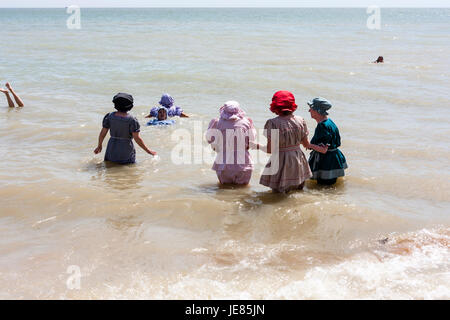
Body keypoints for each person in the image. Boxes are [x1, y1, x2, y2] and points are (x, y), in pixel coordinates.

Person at [258, 91, 327, 193]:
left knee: (278, 193)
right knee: (298, 189)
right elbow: (305, 144)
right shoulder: (300, 120)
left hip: (281, 160)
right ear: (292, 105)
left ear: (275, 106)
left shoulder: (272, 123)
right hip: (298, 158)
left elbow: (270, 150)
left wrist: (257, 146)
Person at [94, 93, 157, 164]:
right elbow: (137, 138)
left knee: (110, 167)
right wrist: (148, 151)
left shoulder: (109, 117)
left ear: (115, 105)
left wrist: (99, 145)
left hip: (112, 147)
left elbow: (103, 133)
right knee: (127, 169)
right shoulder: (132, 120)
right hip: (126, 148)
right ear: (130, 106)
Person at [206, 101, 256, 185]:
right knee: (242, 191)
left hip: (223, 163)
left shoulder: (217, 122)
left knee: (224, 190)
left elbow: (209, 139)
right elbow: (252, 139)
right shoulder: (247, 122)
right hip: (244, 163)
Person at [307, 97, 348, 185]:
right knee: (329, 187)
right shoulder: (329, 122)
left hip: (327, 162)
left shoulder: (322, 126)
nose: (309, 111)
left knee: (323, 187)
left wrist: (307, 144)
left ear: (317, 110)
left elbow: (323, 150)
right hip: (334, 158)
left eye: (311, 108)